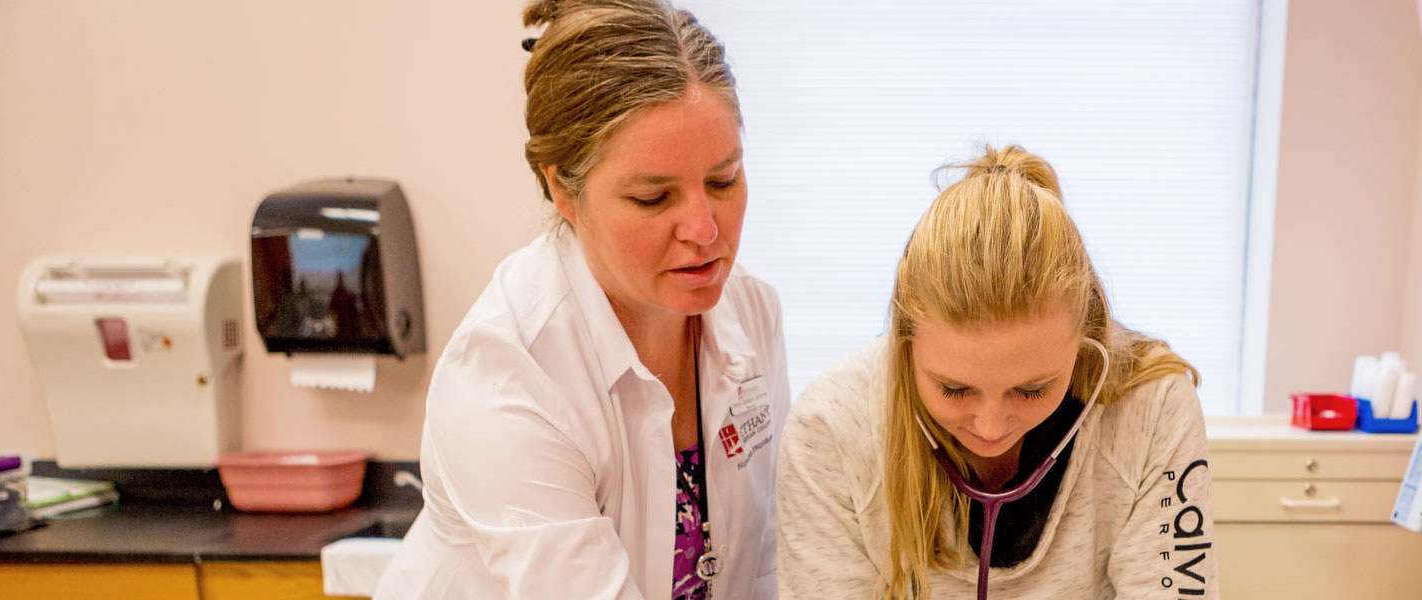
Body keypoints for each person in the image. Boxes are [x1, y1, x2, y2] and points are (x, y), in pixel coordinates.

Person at [375, 1, 786, 598]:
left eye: (723, 180)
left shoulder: (750, 311)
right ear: (561, 188)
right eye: (653, 197)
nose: (704, 228)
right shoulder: (507, 374)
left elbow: (763, 564)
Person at [775, 146, 1216, 599]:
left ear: (1085, 340)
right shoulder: (830, 428)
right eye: (953, 389)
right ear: (905, 344)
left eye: (1031, 390)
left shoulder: (1152, 405)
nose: (990, 427)